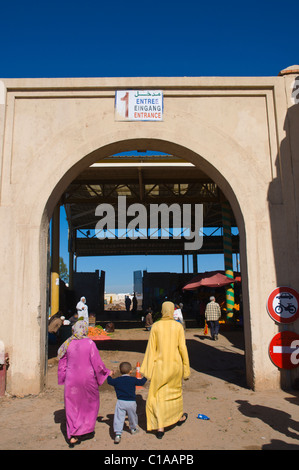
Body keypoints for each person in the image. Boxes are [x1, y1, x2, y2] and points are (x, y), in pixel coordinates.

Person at [57, 320, 112, 447]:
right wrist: (106, 372)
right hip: (88, 379)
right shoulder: (89, 343)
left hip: (72, 381)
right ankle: (86, 430)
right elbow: (97, 364)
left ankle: (73, 434)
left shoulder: (67, 344)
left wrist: (63, 377)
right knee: (90, 403)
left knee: (72, 406)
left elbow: (62, 363)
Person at [140, 301, 190, 439]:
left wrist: (147, 370)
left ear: (162, 311)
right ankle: (178, 417)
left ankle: (160, 426)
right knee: (174, 394)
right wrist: (186, 369)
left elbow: (151, 349)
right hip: (175, 366)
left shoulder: (156, 326)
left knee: (157, 396)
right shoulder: (178, 327)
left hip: (160, 368)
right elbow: (182, 348)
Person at [107, 361, 147, 444]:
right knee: (132, 416)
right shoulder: (132, 379)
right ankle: (133, 428)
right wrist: (146, 376)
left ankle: (118, 434)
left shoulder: (117, 380)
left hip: (120, 401)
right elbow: (141, 382)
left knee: (119, 417)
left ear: (120, 371)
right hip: (131, 402)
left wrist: (110, 375)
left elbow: (110, 381)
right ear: (130, 371)